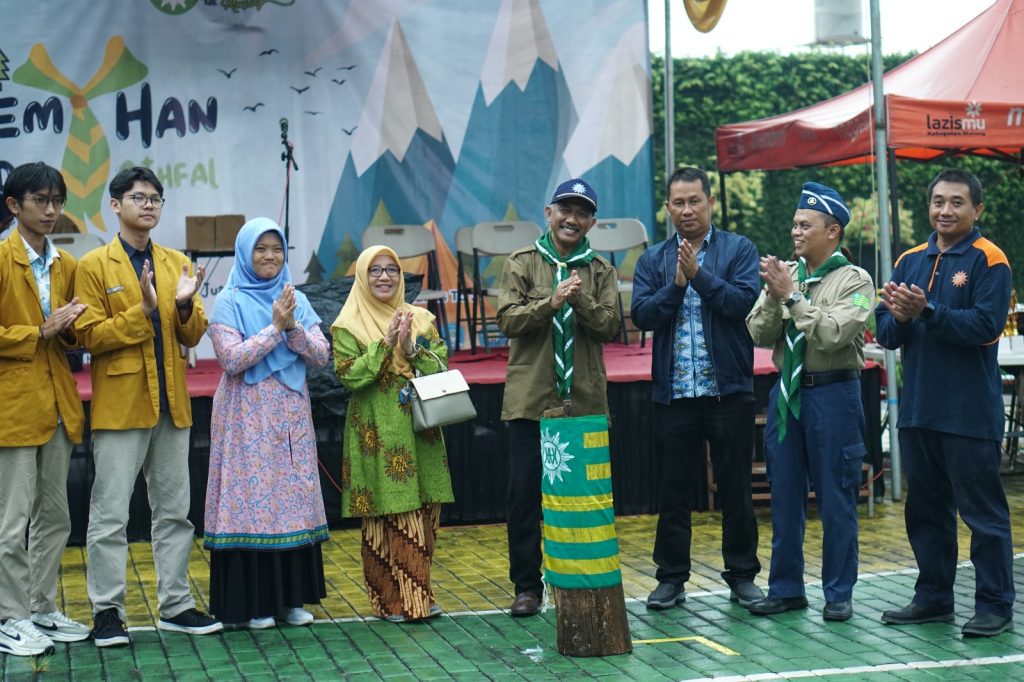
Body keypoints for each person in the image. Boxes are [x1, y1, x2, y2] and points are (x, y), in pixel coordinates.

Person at [74, 167, 222, 647]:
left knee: (175, 512)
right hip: (121, 404)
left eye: (156, 198)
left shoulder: (176, 260)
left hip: (172, 404)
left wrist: (181, 306)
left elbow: (195, 333)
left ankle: (176, 605)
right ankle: (108, 612)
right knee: (110, 514)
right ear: (115, 205)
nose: (150, 205)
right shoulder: (94, 265)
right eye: (139, 198)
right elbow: (87, 336)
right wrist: (139, 314)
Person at [876, 169, 1015, 637]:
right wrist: (897, 316)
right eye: (938, 202)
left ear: (977, 209)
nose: (945, 211)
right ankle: (933, 597)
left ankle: (994, 604)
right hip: (918, 409)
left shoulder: (989, 259)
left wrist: (927, 311)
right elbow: (887, 334)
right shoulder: (910, 259)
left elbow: (985, 327)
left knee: (981, 513)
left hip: (969, 413)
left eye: (957, 202)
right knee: (926, 510)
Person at [630, 166, 763, 610]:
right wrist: (677, 285)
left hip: (728, 392)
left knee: (735, 487)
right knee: (673, 490)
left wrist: (700, 278)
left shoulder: (739, 249)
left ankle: (742, 575)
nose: (687, 210)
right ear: (667, 208)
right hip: (674, 395)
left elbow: (742, 304)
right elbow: (643, 316)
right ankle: (671, 578)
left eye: (695, 201)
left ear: (710, 203)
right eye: (678, 203)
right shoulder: (653, 259)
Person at [745, 181, 873, 622]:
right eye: (795, 224)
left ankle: (838, 592)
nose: (795, 232)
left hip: (835, 393)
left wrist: (793, 298)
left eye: (806, 225)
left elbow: (836, 333)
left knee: (836, 496)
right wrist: (774, 294)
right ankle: (786, 589)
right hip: (788, 392)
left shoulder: (856, 280)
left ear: (832, 230)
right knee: (784, 495)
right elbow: (759, 334)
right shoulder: (790, 274)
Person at [496, 178, 621, 617]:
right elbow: (508, 321)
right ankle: (527, 587)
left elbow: (609, 327)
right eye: (565, 210)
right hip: (531, 402)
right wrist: (550, 302)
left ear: (591, 222)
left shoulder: (600, 270)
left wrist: (579, 299)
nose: (572, 219)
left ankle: (579, 582)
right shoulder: (522, 263)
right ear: (548, 214)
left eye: (582, 212)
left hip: (583, 403)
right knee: (524, 498)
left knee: (585, 498)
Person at [203, 218, 330, 629]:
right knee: (253, 502)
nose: (270, 256)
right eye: (260, 248)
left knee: (290, 502)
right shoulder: (228, 301)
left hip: (289, 416)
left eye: (277, 248)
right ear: (244, 253)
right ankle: (256, 603)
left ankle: (291, 599)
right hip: (245, 419)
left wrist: (291, 326)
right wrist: (275, 329)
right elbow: (233, 359)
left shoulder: (296, 298)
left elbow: (320, 355)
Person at [331, 245, 454, 622]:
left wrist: (409, 349)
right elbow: (349, 375)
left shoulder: (421, 319)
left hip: (419, 423)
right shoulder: (347, 323)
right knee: (388, 514)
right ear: (363, 277)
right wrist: (385, 345)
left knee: (426, 510)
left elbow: (440, 369)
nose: (384, 277)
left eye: (392, 270)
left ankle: (417, 592)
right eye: (375, 271)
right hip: (376, 427)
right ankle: (395, 600)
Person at [0, 163, 91, 656]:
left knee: (54, 516)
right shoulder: (0, 257)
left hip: (58, 402)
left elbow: (72, 332)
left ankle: (39, 607)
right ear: (14, 206)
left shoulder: (65, 264)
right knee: (11, 521)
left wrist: (74, 328)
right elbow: (40, 332)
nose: (52, 210)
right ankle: (7, 616)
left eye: (57, 200)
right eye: (41, 200)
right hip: (11, 406)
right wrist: (39, 333)